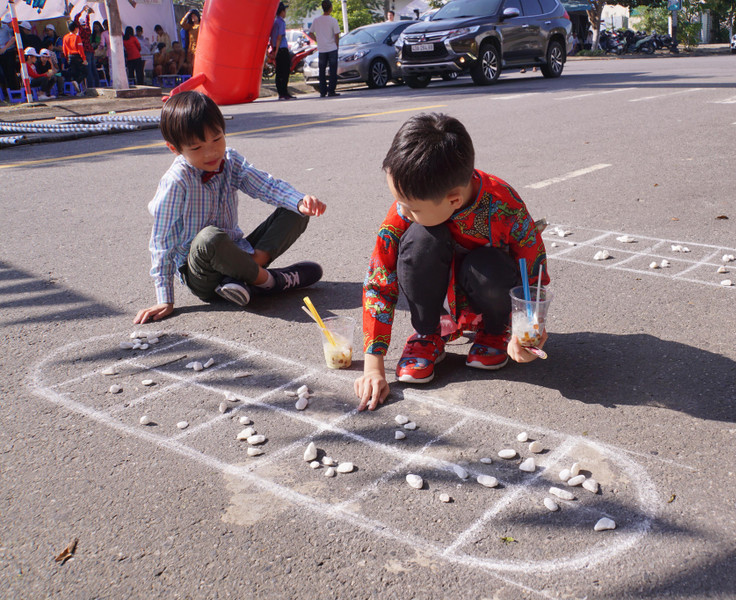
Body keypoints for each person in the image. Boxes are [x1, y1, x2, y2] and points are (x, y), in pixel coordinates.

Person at [354, 113, 549, 410]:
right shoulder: (408, 206)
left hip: (487, 291)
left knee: (487, 266)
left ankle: (496, 331)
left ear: (454, 200)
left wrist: (527, 329)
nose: (401, 212)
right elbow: (379, 279)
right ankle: (427, 333)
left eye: (411, 207)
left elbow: (532, 273)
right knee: (419, 241)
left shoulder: (504, 205)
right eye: (399, 202)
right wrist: (373, 366)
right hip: (436, 289)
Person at [134, 91, 327, 325]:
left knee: (294, 209)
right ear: (174, 148)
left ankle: (242, 280)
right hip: (201, 273)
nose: (211, 152)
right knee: (209, 237)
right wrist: (165, 298)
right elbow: (162, 241)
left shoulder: (230, 161)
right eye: (196, 148)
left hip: (239, 253)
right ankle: (272, 282)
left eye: (217, 139)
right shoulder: (176, 182)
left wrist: (300, 201)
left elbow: (265, 185)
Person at [309, 0, 340, 97]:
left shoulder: (316, 20)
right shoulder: (333, 20)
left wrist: (318, 40)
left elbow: (310, 33)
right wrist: (337, 45)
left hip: (322, 48)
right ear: (330, 8)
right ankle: (331, 90)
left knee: (321, 70)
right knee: (333, 70)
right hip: (331, 47)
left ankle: (323, 91)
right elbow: (336, 35)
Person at [69, 4, 98, 87]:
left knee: (88, 70)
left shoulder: (81, 31)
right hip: (91, 50)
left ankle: (91, 87)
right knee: (93, 69)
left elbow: (75, 19)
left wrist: (82, 11)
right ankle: (97, 85)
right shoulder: (88, 30)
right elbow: (88, 23)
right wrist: (87, 15)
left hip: (85, 51)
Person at [269, 2, 292, 100]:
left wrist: (274, 49)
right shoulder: (281, 22)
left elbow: (272, 38)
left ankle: (281, 92)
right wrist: (277, 50)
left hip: (276, 48)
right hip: (282, 49)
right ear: (282, 11)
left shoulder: (274, 22)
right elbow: (279, 37)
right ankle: (284, 92)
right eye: (284, 11)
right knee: (285, 71)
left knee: (279, 71)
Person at [62, 20, 87, 95]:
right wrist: (84, 59)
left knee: (75, 74)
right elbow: (80, 49)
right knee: (85, 72)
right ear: (76, 28)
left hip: (70, 56)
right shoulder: (77, 37)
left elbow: (64, 49)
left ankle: (78, 92)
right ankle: (77, 82)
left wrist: (67, 58)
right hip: (77, 57)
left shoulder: (65, 37)